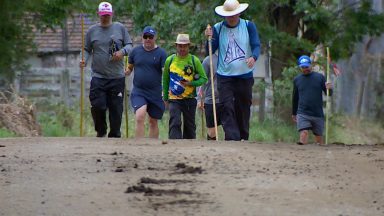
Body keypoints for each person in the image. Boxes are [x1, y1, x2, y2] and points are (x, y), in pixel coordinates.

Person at [204, 0, 260, 141]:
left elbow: (256, 44)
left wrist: (254, 57)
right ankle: (232, 138)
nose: (231, 17)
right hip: (225, 76)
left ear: (239, 13)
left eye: (234, 14)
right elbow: (209, 50)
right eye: (228, 15)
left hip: (245, 76)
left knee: (243, 107)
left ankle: (243, 136)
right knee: (226, 106)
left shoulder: (248, 26)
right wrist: (209, 39)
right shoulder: (218, 28)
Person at [80, 2, 133, 138]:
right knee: (98, 106)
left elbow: (129, 45)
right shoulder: (92, 31)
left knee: (116, 109)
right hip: (98, 76)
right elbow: (86, 49)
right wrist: (83, 59)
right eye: (103, 15)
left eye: (107, 15)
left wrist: (122, 52)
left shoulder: (120, 28)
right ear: (99, 14)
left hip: (117, 77)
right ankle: (101, 130)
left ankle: (115, 135)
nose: (105, 17)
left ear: (112, 14)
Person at [162, 34, 208, 139]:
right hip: (174, 98)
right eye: (180, 46)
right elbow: (165, 79)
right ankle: (174, 144)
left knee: (190, 126)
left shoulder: (194, 60)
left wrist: (191, 83)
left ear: (188, 46)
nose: (182, 48)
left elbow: (203, 78)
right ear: (176, 46)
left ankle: (189, 148)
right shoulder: (170, 60)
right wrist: (165, 97)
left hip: (190, 98)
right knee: (175, 121)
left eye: (185, 46)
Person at [125, 26, 167, 138]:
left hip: (155, 92)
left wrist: (166, 90)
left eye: (150, 37)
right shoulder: (135, 51)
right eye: (145, 36)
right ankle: (139, 144)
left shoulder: (161, 53)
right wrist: (127, 71)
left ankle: (152, 147)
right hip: (139, 91)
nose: (148, 39)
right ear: (142, 37)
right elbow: (130, 67)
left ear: (155, 38)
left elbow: (165, 73)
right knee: (140, 116)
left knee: (153, 121)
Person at [292, 55, 333, 145]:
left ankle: (317, 156)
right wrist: (294, 113)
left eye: (306, 67)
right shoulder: (297, 80)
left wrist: (329, 88)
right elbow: (295, 97)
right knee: (304, 133)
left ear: (311, 65)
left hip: (317, 114)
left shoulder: (320, 77)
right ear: (300, 67)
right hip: (302, 113)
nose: (305, 69)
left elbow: (329, 94)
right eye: (303, 67)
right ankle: (301, 153)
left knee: (319, 139)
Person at [197, 53, 223, 140]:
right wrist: (199, 99)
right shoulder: (208, 60)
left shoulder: (229, 60)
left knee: (229, 130)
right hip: (211, 101)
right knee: (212, 133)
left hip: (226, 100)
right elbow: (201, 81)